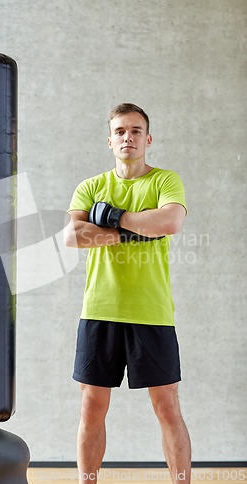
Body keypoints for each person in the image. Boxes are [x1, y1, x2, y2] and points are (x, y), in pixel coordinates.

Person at [64, 103, 191, 484]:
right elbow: (73, 236)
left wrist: (112, 218)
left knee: (167, 406)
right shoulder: (91, 186)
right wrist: (139, 228)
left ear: (147, 139)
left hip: (151, 312)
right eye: (120, 131)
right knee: (91, 407)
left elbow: (170, 220)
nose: (128, 137)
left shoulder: (165, 181)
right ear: (110, 140)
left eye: (136, 131)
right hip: (100, 310)